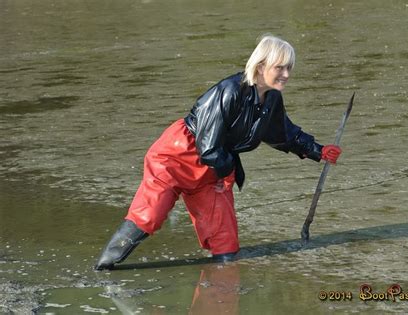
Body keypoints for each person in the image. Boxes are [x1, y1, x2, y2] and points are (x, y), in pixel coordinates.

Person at [95, 35, 342, 270]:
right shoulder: (229, 90)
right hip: (176, 156)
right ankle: (104, 267)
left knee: (225, 240)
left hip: (213, 166)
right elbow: (208, 144)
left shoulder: (272, 99)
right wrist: (226, 174)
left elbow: (284, 133)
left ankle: (220, 289)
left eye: (289, 68)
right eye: (280, 67)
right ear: (260, 65)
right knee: (150, 214)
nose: (286, 74)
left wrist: (318, 151)